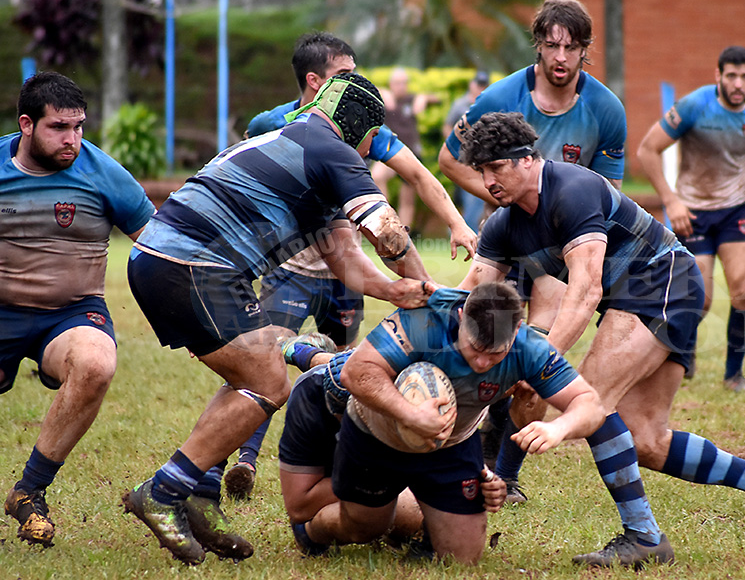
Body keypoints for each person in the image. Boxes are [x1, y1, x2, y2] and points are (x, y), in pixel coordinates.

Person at [457, 112, 745, 567]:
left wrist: (541, 360)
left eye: (497, 167)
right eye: (481, 171)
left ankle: (643, 536)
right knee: (645, 439)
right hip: (642, 298)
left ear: (528, 159)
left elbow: (586, 290)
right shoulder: (502, 226)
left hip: (662, 283)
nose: (488, 181)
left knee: (589, 401)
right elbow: (469, 295)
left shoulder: (572, 190)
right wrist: (419, 330)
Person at [121, 72, 432, 566]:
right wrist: (428, 296)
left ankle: (201, 494)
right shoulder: (331, 148)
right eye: (374, 136)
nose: (374, 149)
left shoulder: (299, 144)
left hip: (166, 260)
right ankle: (163, 492)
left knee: (250, 371)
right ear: (357, 124)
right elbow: (386, 231)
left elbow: (346, 259)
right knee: (268, 380)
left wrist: (397, 290)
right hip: (194, 264)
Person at [227, 32, 477, 500]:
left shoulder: (368, 127)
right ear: (315, 80)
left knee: (346, 368)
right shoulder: (272, 123)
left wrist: (458, 224)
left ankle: (335, 460)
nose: (356, 84)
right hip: (293, 266)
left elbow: (419, 175)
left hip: (348, 266)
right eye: (346, 76)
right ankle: (240, 459)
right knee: (262, 362)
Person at [438, 0, 627, 503]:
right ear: (538, 45)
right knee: (484, 335)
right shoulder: (500, 96)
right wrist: (508, 197)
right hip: (504, 234)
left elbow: (608, 194)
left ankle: (507, 472)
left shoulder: (606, 109)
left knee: (535, 346)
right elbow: (449, 159)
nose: (560, 56)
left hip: (565, 237)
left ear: (586, 49)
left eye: (572, 46)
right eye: (551, 44)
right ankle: (466, 447)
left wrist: (546, 211)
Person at [301, 282, 605, 564]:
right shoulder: (423, 323)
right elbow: (356, 373)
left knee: (463, 556)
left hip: (451, 443)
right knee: (362, 529)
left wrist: (558, 428)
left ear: (517, 331)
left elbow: (590, 405)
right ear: (460, 317)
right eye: (475, 348)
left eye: (496, 353)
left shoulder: (529, 347)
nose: (483, 363)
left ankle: (427, 530)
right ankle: (311, 531)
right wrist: (411, 415)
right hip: (378, 435)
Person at [0, 72, 154, 548]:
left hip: (71, 314)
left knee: (96, 364)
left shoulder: (101, 172)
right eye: (58, 128)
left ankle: (30, 491)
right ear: (26, 125)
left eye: (79, 127)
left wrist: (188, 314)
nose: (73, 140)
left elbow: (158, 245)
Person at [277, 344, 507, 558]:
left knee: (420, 520)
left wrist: (477, 477)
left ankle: (301, 351)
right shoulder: (311, 400)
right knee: (373, 521)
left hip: (381, 464)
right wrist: (392, 477)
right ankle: (298, 350)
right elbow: (299, 507)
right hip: (351, 471)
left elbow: (448, 452)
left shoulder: (416, 400)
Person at [635, 45, 745, 392]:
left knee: (743, 293)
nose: (738, 83)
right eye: (731, 75)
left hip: (735, 210)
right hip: (692, 211)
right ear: (718, 75)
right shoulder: (694, 106)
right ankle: (686, 355)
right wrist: (672, 201)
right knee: (701, 297)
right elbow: (647, 150)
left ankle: (734, 375)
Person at [373, 67, 439, 230]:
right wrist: (382, 91)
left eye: (404, 83)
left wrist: (424, 98)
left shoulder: (412, 99)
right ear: (391, 84)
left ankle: (403, 237)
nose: (401, 86)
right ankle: (386, 220)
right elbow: (366, 90)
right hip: (390, 151)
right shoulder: (383, 100)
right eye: (397, 83)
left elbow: (437, 99)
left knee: (407, 199)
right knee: (377, 175)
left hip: (412, 152)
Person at [442, 70, 491, 230]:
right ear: (472, 84)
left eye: (484, 85)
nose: (480, 88)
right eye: (478, 84)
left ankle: (465, 231)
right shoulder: (460, 104)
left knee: (479, 198)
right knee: (469, 197)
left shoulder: (488, 103)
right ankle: (464, 231)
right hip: (464, 158)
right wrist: (454, 147)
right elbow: (447, 126)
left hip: (482, 158)